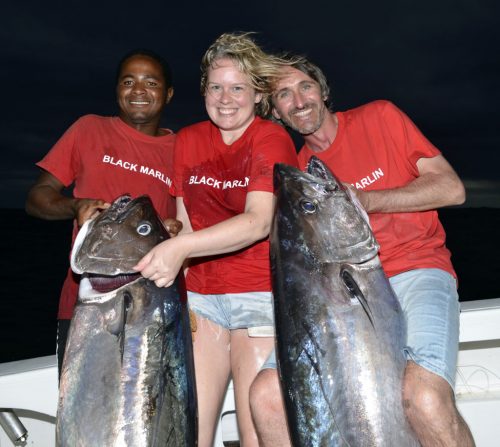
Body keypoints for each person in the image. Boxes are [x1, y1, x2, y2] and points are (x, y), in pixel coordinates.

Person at [249, 56, 475, 447]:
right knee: (267, 396)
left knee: (422, 397)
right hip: (339, 293)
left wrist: (365, 200)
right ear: (275, 112)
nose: (298, 100)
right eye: (283, 95)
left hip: (415, 270)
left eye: (305, 87)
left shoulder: (380, 117)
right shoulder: (300, 174)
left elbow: (451, 189)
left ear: (322, 91)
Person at [134, 33, 298, 446]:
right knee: (187, 431)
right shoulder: (188, 140)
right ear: (204, 89)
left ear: (258, 95)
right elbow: (186, 224)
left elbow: (258, 221)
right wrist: (175, 259)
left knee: (255, 430)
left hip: (259, 296)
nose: (226, 99)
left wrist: (179, 248)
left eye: (238, 88)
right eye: (216, 87)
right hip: (202, 300)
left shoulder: (270, 139)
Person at [25, 49, 176, 374]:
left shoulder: (181, 150)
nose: (138, 91)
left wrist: (176, 230)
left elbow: (185, 223)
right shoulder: (88, 129)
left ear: (168, 94)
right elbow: (37, 197)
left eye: (150, 82)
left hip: (149, 308)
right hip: (85, 303)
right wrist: (74, 206)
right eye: (128, 81)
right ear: (117, 90)